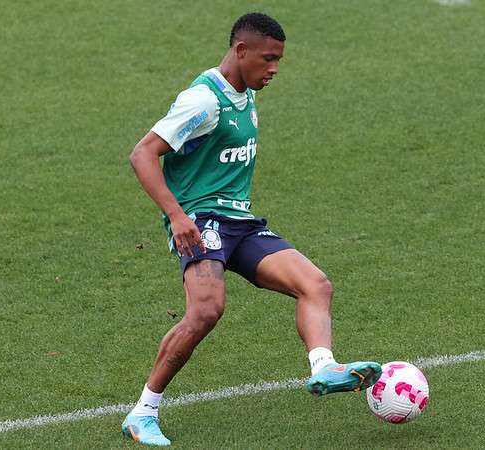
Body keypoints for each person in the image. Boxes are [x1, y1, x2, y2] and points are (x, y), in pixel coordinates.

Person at [123, 12, 381, 446]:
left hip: (240, 223)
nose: (275, 69)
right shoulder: (202, 101)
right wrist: (177, 215)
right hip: (201, 221)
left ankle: (324, 368)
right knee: (206, 311)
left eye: (279, 60)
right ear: (241, 51)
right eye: (268, 59)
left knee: (315, 284)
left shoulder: (244, 91)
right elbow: (142, 154)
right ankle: (142, 412)